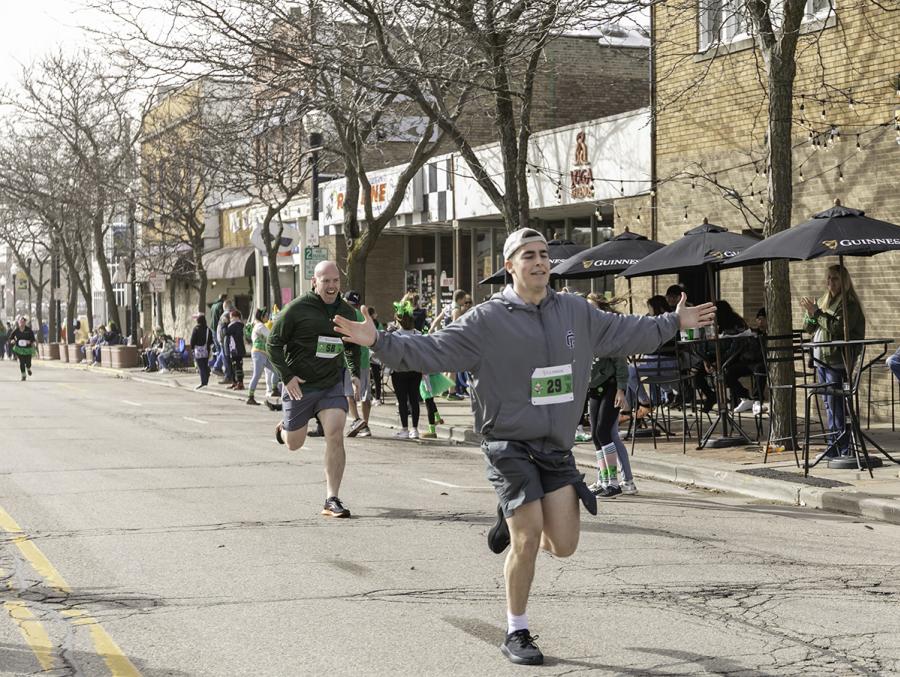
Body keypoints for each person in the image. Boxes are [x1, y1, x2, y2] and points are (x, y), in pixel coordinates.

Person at [334, 228, 715, 665]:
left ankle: (507, 517)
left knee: (565, 543)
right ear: (510, 266)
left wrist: (673, 322)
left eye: (544, 254)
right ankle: (517, 630)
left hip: (555, 448)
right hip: (507, 443)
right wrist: (379, 341)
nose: (539, 262)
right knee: (528, 537)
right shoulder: (486, 320)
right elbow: (433, 350)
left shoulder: (575, 312)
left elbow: (626, 331)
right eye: (528, 255)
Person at [267, 260, 361, 519]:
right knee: (295, 444)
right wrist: (287, 378)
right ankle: (283, 429)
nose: (331, 286)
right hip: (301, 386)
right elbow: (273, 344)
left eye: (335, 281)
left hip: (331, 383)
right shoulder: (296, 309)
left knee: (335, 433)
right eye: (326, 281)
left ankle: (332, 499)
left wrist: (354, 373)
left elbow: (353, 345)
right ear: (315, 282)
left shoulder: (346, 311)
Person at [800, 264, 866, 458]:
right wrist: (811, 315)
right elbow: (808, 328)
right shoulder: (822, 300)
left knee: (836, 404)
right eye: (828, 278)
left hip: (838, 360)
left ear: (844, 281)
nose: (830, 282)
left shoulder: (849, 304)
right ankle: (834, 445)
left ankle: (842, 448)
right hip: (821, 360)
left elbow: (838, 328)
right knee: (828, 405)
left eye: (835, 278)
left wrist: (817, 313)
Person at [584, 294, 636, 498]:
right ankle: (604, 480)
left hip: (611, 387)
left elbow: (621, 364)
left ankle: (615, 483)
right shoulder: (586, 332)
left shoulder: (609, 333)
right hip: (593, 388)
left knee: (605, 433)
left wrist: (621, 389)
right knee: (596, 435)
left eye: (593, 308)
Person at [388, 299, 424, 439]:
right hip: (415, 371)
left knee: (402, 401)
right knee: (414, 399)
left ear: (398, 320)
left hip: (399, 371)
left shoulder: (395, 335)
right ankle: (414, 429)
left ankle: (404, 429)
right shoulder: (418, 334)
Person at [343, 291, 372, 438]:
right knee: (365, 394)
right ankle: (365, 425)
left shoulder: (345, 315)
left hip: (351, 360)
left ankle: (356, 420)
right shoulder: (363, 315)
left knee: (350, 393)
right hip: (365, 358)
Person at [247, 308, 276, 405]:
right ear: (262, 317)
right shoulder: (260, 326)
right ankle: (250, 397)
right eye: (266, 316)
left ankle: (275, 389)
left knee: (276, 369)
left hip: (263, 353)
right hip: (259, 353)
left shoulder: (259, 325)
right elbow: (270, 336)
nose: (268, 317)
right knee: (257, 375)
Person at [190, 314, 214, 389]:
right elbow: (211, 340)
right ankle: (206, 377)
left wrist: (192, 348)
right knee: (205, 364)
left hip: (198, 350)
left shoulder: (196, 329)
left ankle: (203, 382)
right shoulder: (208, 330)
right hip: (206, 349)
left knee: (200, 366)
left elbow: (192, 340)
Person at [8, 316, 37, 381]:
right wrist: (12, 341)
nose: (22, 323)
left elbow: (33, 339)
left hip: (28, 349)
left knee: (28, 362)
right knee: (22, 362)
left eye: (23, 322)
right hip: (19, 349)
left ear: (25, 323)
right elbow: (10, 338)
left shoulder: (29, 330)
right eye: (20, 322)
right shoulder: (16, 330)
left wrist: (30, 342)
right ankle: (23, 375)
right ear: (18, 322)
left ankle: (28, 368)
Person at [225, 309, 247, 390]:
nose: (230, 319)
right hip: (234, 348)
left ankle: (240, 383)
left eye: (231, 317)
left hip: (237, 349)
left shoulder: (236, 325)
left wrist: (225, 324)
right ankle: (234, 382)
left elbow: (226, 333)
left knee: (238, 367)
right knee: (234, 366)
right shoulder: (236, 325)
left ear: (236, 317)